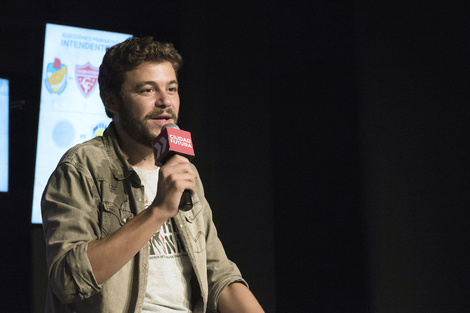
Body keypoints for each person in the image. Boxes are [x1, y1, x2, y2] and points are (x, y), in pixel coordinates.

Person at [41, 36, 265, 313]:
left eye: (171, 89)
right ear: (111, 101)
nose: (165, 102)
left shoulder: (184, 169)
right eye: (148, 90)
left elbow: (220, 276)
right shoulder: (81, 167)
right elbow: (67, 280)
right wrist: (157, 211)